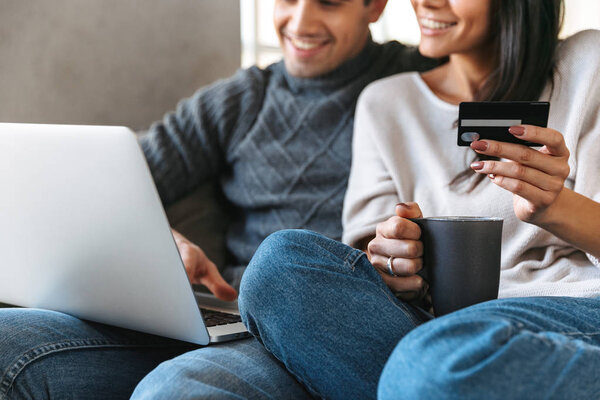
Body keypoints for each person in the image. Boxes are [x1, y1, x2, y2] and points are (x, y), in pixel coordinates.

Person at [0, 1, 440, 399]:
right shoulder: (241, 100)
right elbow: (113, 180)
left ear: (375, 6)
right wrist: (160, 239)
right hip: (225, 315)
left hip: (322, 324)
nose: (301, 21)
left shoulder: (419, 82)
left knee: (172, 392)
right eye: (287, 0)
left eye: (329, 3)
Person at [238, 0, 600, 398]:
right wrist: (396, 265)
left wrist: (555, 207)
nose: (426, 2)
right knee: (278, 268)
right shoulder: (387, 102)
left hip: (571, 311)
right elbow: (367, 260)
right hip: (434, 327)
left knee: (432, 363)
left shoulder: (588, 65)